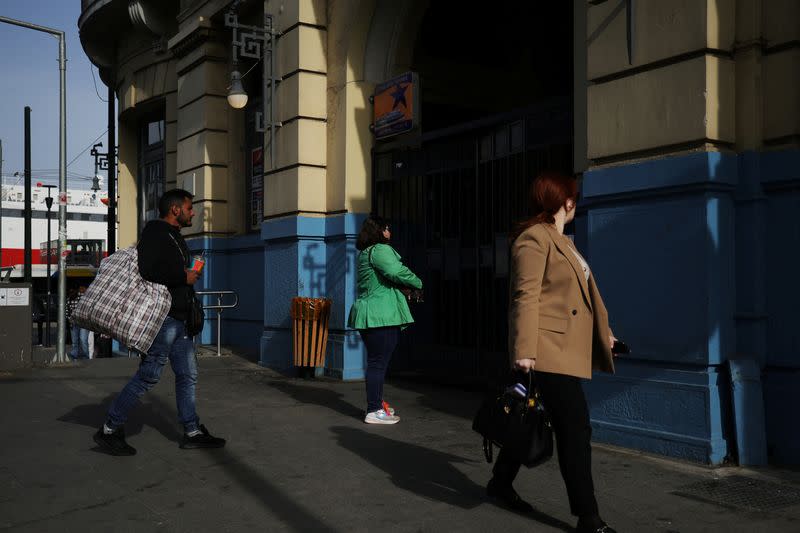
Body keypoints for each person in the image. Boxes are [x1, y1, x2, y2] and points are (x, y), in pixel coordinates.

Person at [486, 171, 619, 533]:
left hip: (561, 348)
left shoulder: (563, 241)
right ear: (565, 201)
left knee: (528, 418)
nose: (576, 202)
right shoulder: (533, 239)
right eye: (573, 197)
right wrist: (524, 351)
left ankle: (500, 481)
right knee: (575, 428)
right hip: (544, 350)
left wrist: (603, 333)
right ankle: (588, 517)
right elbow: (525, 296)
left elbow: (580, 297)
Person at [93, 189, 225, 455]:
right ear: (175, 210)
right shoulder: (155, 232)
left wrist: (187, 279)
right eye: (190, 208)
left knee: (188, 374)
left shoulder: (175, 236)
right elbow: (148, 269)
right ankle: (109, 428)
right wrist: (182, 276)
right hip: (163, 319)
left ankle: (192, 431)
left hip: (180, 319)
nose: (193, 212)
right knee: (149, 375)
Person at [348, 216, 422, 425]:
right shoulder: (379, 250)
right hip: (381, 316)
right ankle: (374, 409)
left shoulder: (365, 253)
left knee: (376, 362)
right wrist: (418, 282)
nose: (390, 233)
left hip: (370, 314)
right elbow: (395, 271)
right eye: (387, 229)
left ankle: (377, 404)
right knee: (378, 364)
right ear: (379, 231)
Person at [67, 286, 90, 359]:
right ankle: (75, 354)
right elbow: (67, 311)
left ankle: (85, 355)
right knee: (75, 341)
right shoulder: (69, 299)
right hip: (74, 323)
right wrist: (69, 319)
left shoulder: (82, 297)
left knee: (83, 339)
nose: (71, 292)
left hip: (83, 323)